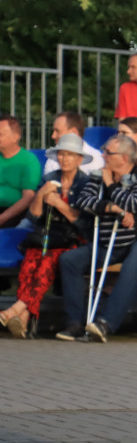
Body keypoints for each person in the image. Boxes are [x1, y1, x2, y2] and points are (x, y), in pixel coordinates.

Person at [56, 134, 137, 343]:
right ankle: (75, 322)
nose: (103, 155)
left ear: (123, 158)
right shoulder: (98, 177)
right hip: (108, 240)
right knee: (69, 260)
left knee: (133, 266)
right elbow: (82, 201)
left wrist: (110, 187)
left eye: (108, 153)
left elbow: (134, 204)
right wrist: (113, 208)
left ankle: (106, 323)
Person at [0, 134, 91, 338]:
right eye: (61, 154)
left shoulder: (86, 184)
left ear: (78, 159)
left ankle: (18, 309)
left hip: (73, 239)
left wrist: (60, 204)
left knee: (47, 262)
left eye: (69, 155)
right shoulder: (49, 179)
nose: (64, 158)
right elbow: (33, 217)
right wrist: (41, 196)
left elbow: (83, 223)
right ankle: (23, 318)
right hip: (48, 236)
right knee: (30, 261)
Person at [0, 116, 42, 229]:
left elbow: (28, 197)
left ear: (15, 137)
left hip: (13, 213)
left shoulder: (28, 161)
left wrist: (3, 218)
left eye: (1, 134)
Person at [43, 112, 104, 176]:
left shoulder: (96, 159)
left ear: (74, 132)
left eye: (57, 131)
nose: (53, 136)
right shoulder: (52, 160)